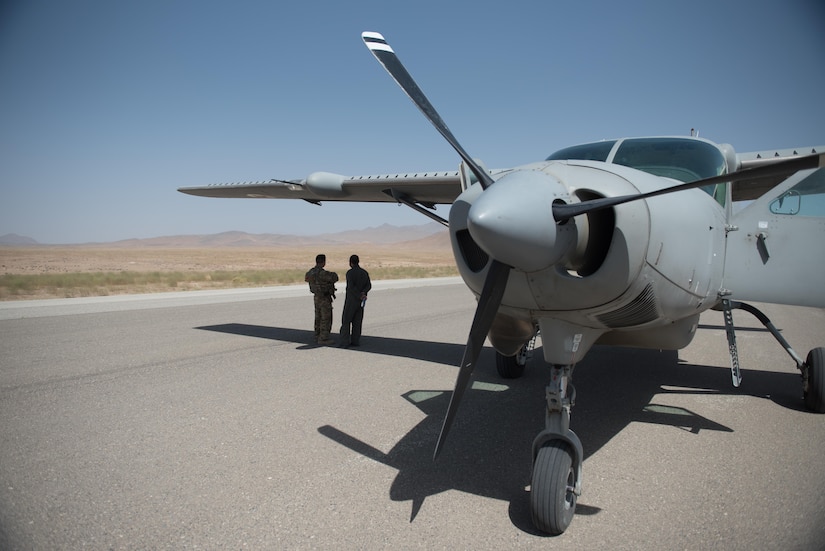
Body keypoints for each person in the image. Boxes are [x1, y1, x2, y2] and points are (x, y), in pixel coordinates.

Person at [304, 254, 338, 345]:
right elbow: (335, 277)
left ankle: (317, 335)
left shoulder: (310, 272)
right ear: (323, 262)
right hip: (324, 298)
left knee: (318, 317)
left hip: (316, 297)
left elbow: (307, 279)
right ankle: (323, 338)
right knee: (326, 318)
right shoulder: (323, 273)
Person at [338, 254, 372, 347]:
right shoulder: (364, 273)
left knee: (346, 321)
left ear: (350, 262)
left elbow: (351, 287)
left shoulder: (350, 273)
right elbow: (369, 285)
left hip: (351, 301)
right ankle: (355, 341)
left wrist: (358, 295)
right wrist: (363, 293)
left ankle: (344, 342)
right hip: (360, 302)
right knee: (357, 322)